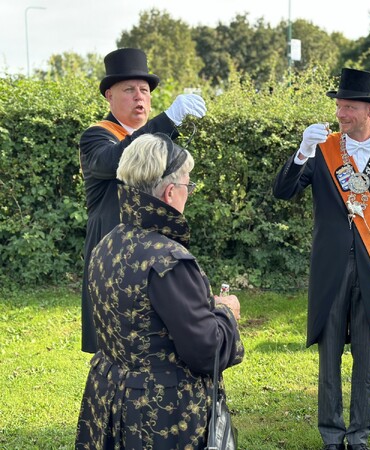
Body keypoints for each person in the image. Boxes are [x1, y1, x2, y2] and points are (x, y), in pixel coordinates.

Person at [273, 68, 370, 450]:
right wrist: (301, 152)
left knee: (366, 357)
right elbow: (283, 192)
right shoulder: (322, 148)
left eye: (349, 107)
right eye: (338, 106)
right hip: (331, 268)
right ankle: (332, 435)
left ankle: (360, 435)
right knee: (330, 353)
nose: (341, 114)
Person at [75, 133, 244, 449]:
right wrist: (227, 313)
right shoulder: (169, 261)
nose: (188, 194)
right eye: (188, 186)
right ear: (170, 192)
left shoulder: (107, 244)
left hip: (108, 399)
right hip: (159, 416)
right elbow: (206, 352)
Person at [79, 47, 207, 353]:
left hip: (151, 252)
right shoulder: (97, 136)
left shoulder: (157, 138)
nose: (140, 97)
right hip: (113, 249)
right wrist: (169, 119)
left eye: (145, 90)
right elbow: (117, 159)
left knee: (152, 337)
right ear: (109, 96)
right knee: (112, 344)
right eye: (129, 90)